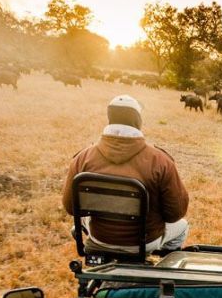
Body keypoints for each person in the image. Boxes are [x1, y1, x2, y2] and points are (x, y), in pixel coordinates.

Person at [62, 95, 189, 252]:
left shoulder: (83, 158)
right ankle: (163, 266)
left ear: (109, 119)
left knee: (80, 223)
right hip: (144, 243)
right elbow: (175, 214)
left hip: (100, 239)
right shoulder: (160, 161)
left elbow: (70, 207)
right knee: (182, 227)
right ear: (138, 121)